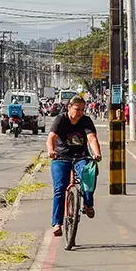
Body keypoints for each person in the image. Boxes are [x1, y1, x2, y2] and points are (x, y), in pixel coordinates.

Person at [47, 96, 102, 237]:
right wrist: (51, 150)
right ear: (69, 107)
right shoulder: (61, 119)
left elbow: (92, 139)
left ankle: (88, 204)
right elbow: (51, 137)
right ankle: (57, 223)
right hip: (61, 158)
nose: (80, 113)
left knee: (89, 175)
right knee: (59, 189)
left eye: (82, 110)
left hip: (81, 157)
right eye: (77, 109)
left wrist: (96, 153)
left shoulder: (86, 121)